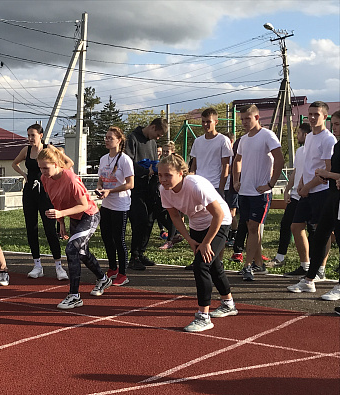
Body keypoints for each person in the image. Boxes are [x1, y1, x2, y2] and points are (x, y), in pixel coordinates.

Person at [158, 153, 237, 332]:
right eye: (160, 175)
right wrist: (190, 240)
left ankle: (203, 316)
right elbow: (174, 216)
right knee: (213, 265)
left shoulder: (195, 185)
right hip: (197, 225)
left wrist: (207, 242)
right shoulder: (164, 190)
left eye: (168, 175)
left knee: (201, 265)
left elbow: (218, 214)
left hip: (220, 221)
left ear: (181, 173)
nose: (163, 179)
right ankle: (228, 304)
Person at [37, 146, 112, 309]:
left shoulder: (70, 178)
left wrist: (61, 213)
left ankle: (74, 295)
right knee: (81, 252)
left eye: (46, 168)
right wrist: (61, 222)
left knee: (72, 249)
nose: (43, 171)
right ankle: (103, 278)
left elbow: (83, 205)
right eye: (40, 168)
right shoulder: (45, 178)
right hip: (74, 217)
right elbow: (56, 200)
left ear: (56, 164)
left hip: (89, 215)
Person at [288, 108, 340, 295]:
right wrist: (304, 183)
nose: (335, 127)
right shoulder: (330, 144)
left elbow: (330, 172)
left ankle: (323, 274)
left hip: (325, 193)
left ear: (323, 116)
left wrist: (324, 176)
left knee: (328, 234)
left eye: (338, 124)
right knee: (315, 235)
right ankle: (309, 276)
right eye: (334, 124)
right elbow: (312, 166)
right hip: (327, 195)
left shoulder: (329, 140)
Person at [231, 104, 285, 281]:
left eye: (247, 118)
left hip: (260, 193)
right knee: (250, 228)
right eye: (242, 119)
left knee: (254, 228)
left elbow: (279, 159)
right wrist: (236, 180)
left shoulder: (267, 135)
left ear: (257, 117)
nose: (244, 122)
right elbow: (237, 160)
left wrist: (270, 183)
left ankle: (247, 266)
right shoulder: (243, 139)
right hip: (244, 191)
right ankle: (259, 264)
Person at [12, 124, 70, 281]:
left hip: (46, 194)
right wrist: (24, 175)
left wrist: (56, 178)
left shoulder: (48, 149)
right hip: (30, 193)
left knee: (50, 229)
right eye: (28, 135)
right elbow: (14, 163)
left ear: (41, 135)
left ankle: (59, 266)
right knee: (31, 228)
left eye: (33, 135)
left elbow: (67, 163)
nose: (30, 138)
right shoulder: (26, 150)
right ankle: (37, 265)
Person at [266, 123, 312, 268]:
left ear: (305, 135)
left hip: (309, 194)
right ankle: (280, 257)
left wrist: (305, 187)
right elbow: (295, 172)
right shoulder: (299, 151)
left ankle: (312, 261)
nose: (296, 136)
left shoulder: (312, 151)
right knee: (286, 224)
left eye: (298, 133)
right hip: (296, 195)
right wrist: (287, 190)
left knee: (312, 228)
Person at [125, 118, 168, 270]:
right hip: (135, 187)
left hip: (150, 187)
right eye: (158, 134)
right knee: (140, 220)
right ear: (152, 127)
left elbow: (155, 162)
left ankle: (141, 253)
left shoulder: (153, 143)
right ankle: (134, 256)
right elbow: (128, 162)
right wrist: (144, 170)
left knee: (149, 221)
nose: (158, 138)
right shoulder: (132, 138)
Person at [96, 126, 135, 287]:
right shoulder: (103, 159)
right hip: (106, 204)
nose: (106, 140)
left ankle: (123, 274)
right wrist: (100, 188)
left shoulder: (125, 160)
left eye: (110, 138)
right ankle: (113, 268)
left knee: (119, 239)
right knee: (106, 237)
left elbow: (130, 184)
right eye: (106, 137)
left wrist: (110, 190)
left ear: (119, 140)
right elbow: (101, 179)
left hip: (120, 205)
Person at [189, 107, 233, 196]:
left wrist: (221, 189)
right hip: (199, 185)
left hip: (215, 186)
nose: (205, 124)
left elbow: (226, 166)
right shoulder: (198, 141)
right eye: (203, 121)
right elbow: (194, 165)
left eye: (208, 122)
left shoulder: (223, 140)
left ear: (216, 122)